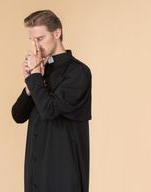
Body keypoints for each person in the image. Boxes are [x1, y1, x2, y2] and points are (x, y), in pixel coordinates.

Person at [11, 10, 92, 192]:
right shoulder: (41, 72)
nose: (35, 46)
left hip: (63, 170)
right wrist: (29, 87)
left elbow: (49, 111)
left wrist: (35, 78)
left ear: (57, 33)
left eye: (40, 38)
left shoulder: (78, 72)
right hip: (36, 169)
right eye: (31, 40)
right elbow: (17, 115)